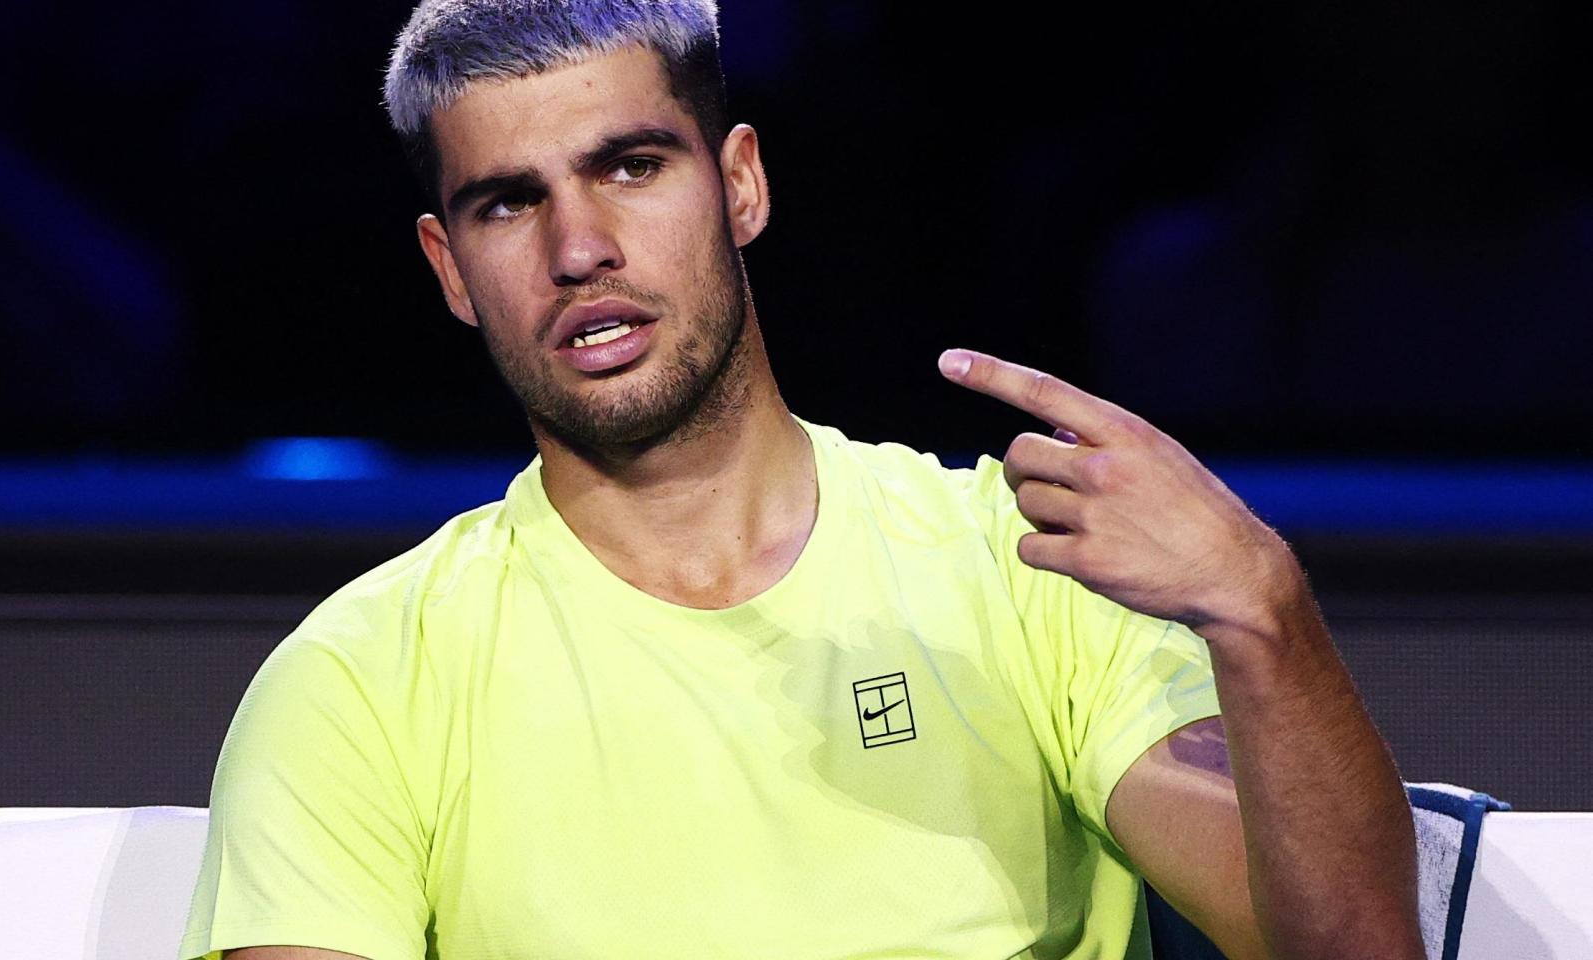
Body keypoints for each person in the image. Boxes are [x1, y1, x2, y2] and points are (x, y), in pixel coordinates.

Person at [179, 2, 1426, 958]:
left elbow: (1350, 950)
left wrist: (1260, 607)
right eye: (508, 203)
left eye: (630, 166)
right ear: (449, 270)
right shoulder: (358, 681)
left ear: (739, 185)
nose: (578, 248)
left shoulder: (1014, 573)